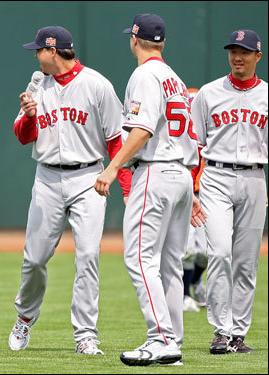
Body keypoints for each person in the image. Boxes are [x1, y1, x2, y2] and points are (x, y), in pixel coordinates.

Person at [9, 25, 132, 355]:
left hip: (88, 178)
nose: (35, 56)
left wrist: (126, 186)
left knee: (88, 256)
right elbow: (23, 136)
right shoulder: (37, 85)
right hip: (47, 178)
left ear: (52, 51)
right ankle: (25, 315)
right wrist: (30, 116)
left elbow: (116, 140)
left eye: (38, 50)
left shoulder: (96, 85)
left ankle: (86, 335)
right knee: (35, 258)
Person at [94, 14, 204, 366]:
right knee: (170, 263)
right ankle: (173, 341)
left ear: (134, 40)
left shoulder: (144, 75)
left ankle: (161, 338)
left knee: (139, 259)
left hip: (155, 172)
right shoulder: (174, 77)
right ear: (163, 43)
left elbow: (141, 131)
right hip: (181, 175)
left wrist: (112, 168)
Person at [191, 29, 267, 355]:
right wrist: (191, 186)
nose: (238, 57)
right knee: (220, 253)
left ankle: (238, 334)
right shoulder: (208, 93)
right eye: (233, 50)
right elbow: (193, 144)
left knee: (246, 263)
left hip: (254, 177)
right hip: (216, 177)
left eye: (245, 51)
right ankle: (221, 331)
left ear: (257, 56)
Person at [183, 89, 207, 313]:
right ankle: (184, 294)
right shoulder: (180, 134)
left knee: (208, 251)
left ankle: (197, 281)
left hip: (208, 193)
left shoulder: (210, 131)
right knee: (188, 249)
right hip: (187, 194)